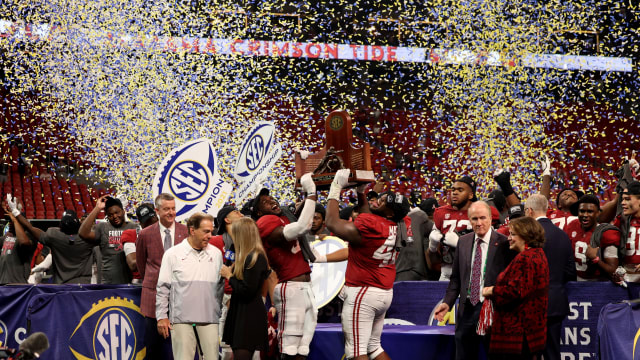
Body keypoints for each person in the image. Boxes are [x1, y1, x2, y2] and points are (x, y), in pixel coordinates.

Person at [325, 169, 412, 360]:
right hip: (384, 291)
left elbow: (331, 222)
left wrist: (335, 188)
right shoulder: (401, 222)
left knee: (355, 351)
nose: (377, 200)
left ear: (389, 212)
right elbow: (371, 215)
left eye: (382, 202)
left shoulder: (372, 224)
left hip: (363, 291)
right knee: (373, 347)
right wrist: (361, 193)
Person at [434, 201, 515, 360]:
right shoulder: (463, 242)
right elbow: (456, 279)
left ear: (491, 219)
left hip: (493, 310)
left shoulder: (505, 243)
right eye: (474, 219)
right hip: (466, 311)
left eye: (483, 218)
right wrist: (447, 303)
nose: (479, 223)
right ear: (469, 220)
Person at [250, 173, 317, 359]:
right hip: (291, 287)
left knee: (303, 348)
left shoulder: (283, 218)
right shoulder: (265, 222)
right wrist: (311, 192)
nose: (271, 200)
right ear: (258, 212)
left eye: (271, 197)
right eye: (264, 201)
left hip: (304, 287)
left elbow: (299, 217)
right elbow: (302, 226)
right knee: (289, 347)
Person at [156, 212, 223, 360]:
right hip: (181, 319)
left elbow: (219, 288)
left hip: (209, 318)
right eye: (206, 231)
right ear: (192, 230)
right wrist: (161, 316)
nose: (210, 235)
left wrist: (218, 311)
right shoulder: (172, 254)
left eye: (212, 231)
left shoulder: (216, 254)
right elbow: (163, 288)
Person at [482, 216, 549, 359]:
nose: (508, 238)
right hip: (531, 332)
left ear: (525, 235)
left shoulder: (524, 258)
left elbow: (515, 291)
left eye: (513, 234)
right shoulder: (539, 254)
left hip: (516, 335)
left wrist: (491, 290)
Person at [523, 194, 576, 360]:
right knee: (552, 352)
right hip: (555, 303)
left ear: (529, 211)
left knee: (528, 353)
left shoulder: (528, 235)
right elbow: (570, 272)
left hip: (531, 303)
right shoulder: (563, 235)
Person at [136, 193, 188, 359]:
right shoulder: (145, 234)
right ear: (157, 211)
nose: (171, 213)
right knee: (153, 347)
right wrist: (154, 281)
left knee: (179, 345)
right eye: (166, 209)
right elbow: (141, 264)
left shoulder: (185, 232)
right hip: (152, 296)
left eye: (173, 209)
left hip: (180, 296)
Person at [220, 217, 270, 360]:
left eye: (234, 233)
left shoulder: (256, 257)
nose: (232, 237)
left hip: (248, 315)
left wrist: (229, 276)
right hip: (241, 312)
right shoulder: (246, 257)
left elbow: (246, 291)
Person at [15, 208, 95, 284]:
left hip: (61, 286)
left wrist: (15, 213)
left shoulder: (54, 236)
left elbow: (30, 228)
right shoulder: (88, 239)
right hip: (83, 286)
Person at [78, 195, 137, 283]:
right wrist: (97, 208)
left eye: (117, 212)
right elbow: (83, 233)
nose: (115, 216)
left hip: (131, 282)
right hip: (108, 283)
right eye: (110, 215)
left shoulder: (133, 227)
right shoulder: (102, 227)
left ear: (123, 211)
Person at [212, 205, 245, 360]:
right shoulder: (215, 241)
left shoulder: (249, 238)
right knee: (227, 342)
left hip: (247, 294)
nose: (241, 213)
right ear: (227, 219)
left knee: (248, 342)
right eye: (235, 212)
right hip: (227, 296)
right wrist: (226, 297)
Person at [428, 176, 476, 280]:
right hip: (446, 271)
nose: (454, 192)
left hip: (471, 272)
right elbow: (434, 260)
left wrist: (460, 244)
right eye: (453, 189)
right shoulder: (440, 212)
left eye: (460, 190)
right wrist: (432, 247)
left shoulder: (479, 212)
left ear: (471, 195)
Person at [565, 194, 620, 281]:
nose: (585, 215)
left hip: (597, 284)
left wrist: (595, 259)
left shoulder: (605, 232)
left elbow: (614, 271)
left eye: (590, 211)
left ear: (598, 213)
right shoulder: (572, 226)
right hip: (574, 282)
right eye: (582, 211)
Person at [121, 203, 159, 284]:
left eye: (152, 219)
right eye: (147, 221)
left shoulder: (166, 233)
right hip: (141, 281)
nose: (151, 224)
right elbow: (133, 264)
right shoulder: (130, 234)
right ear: (140, 222)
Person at [1, 199, 37, 284]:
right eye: (9, 221)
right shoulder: (7, 237)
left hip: (17, 284)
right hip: (2, 283)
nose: (9, 223)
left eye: (12, 221)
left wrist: (15, 220)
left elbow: (24, 243)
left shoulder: (29, 236)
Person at [612, 181, 640, 282]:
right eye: (622, 199)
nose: (623, 203)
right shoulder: (621, 221)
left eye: (627, 199)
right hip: (626, 279)